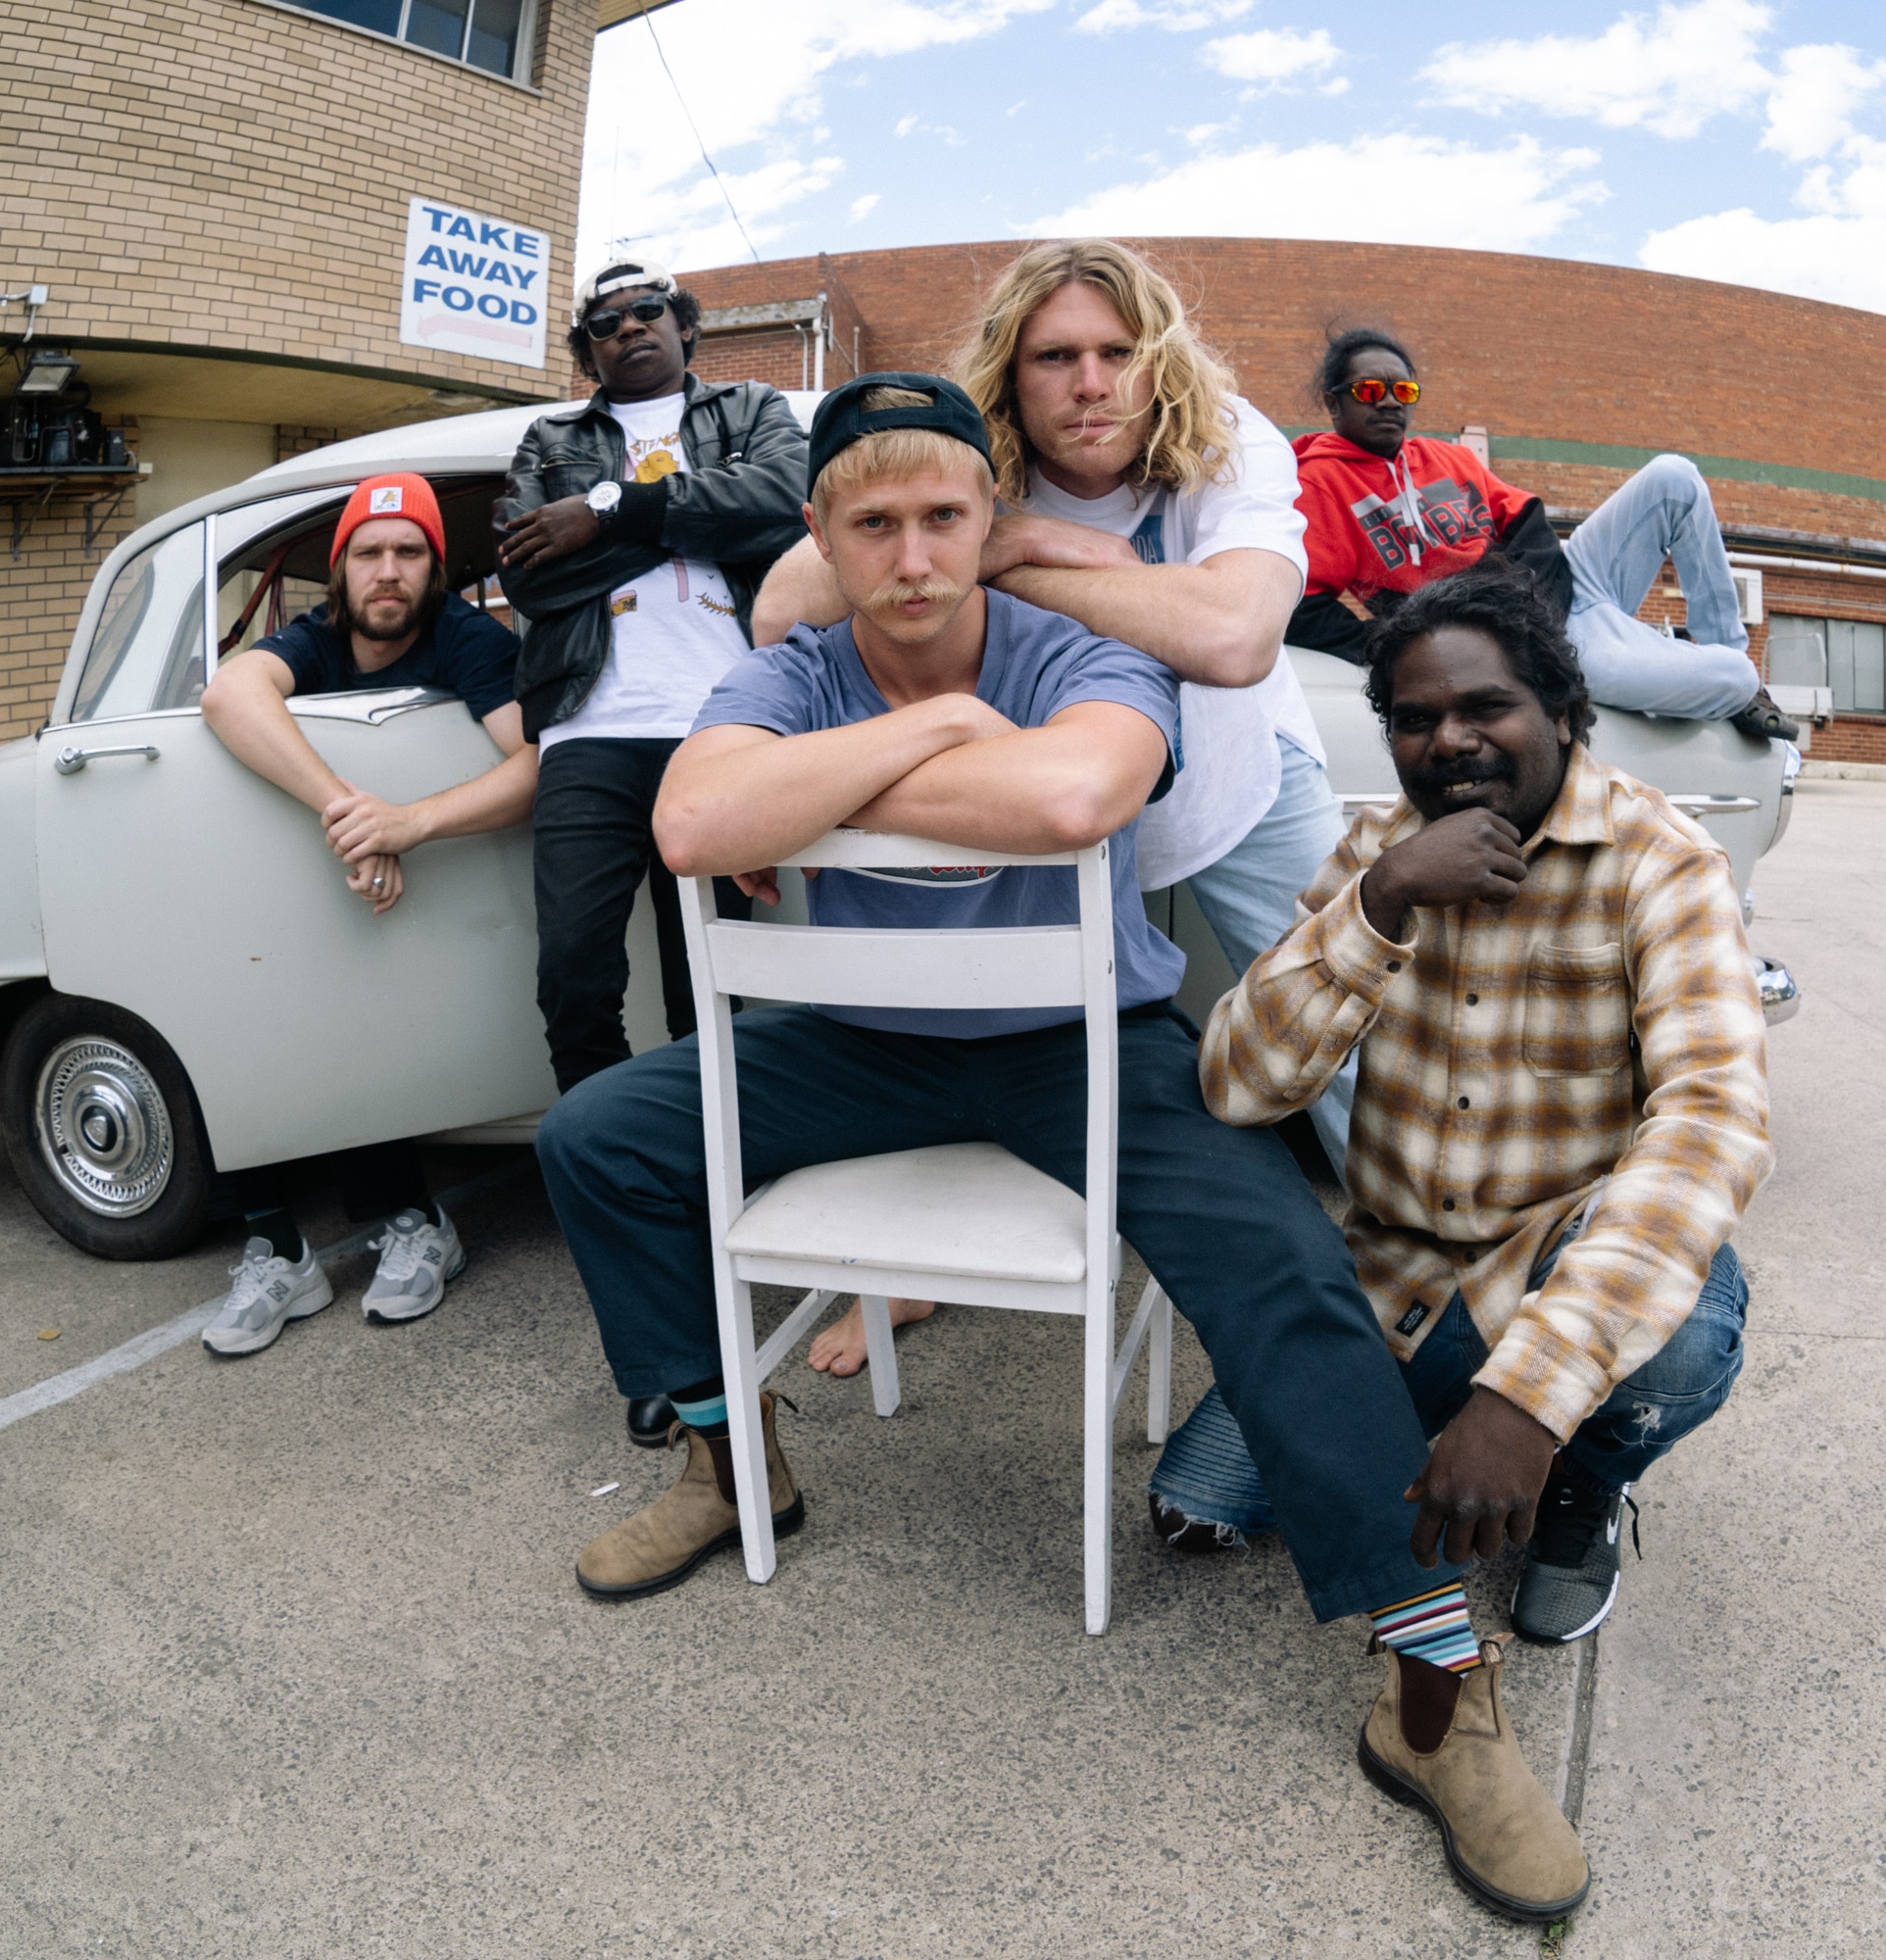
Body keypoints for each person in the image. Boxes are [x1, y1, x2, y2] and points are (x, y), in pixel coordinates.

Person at [541, 380, 1587, 1923]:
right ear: (822, 534)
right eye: (874, 523)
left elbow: (1078, 788)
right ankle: (722, 1455)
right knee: (598, 1139)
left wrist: (875, 765)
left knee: (1283, 1258)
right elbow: (694, 827)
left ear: (990, 525)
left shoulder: (1084, 649)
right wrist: (951, 729)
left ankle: (1431, 1674)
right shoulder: (788, 665)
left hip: (1086, 1042)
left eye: (944, 517)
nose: (912, 555)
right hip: (865, 1044)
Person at [751, 238, 1353, 1382]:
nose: (1090, 384)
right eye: (1056, 355)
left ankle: (1414, 1269)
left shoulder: (1229, 438)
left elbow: (1233, 638)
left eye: (1119, 352)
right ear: (1009, 372)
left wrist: (1014, 546)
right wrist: (1016, 534)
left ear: (1159, 361)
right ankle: (911, 1265)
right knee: (947, 1011)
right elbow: (783, 608)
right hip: (1052, 789)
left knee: (1352, 1023)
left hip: (1232, 778)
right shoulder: (961, 449)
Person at [1158, 568, 1772, 1670]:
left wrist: (1530, 1403)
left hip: (1557, 1258)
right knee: (1192, 1507)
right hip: (1393, 1277)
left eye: (1485, 707)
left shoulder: (1663, 863)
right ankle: (1440, 1416)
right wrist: (1381, 900)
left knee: (1680, 1341)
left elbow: (1710, 1123)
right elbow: (1238, 1085)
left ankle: (1586, 1476)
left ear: (1563, 714)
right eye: (1415, 719)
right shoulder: (1378, 851)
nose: (1451, 741)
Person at [497, 258, 811, 1443]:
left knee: (711, 986)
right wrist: (671, 520)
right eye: (606, 324)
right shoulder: (549, 438)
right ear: (588, 352)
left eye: (648, 316)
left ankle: (729, 1195)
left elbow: (788, 503)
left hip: (725, 719)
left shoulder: (750, 413)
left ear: (685, 330)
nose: (630, 331)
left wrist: (611, 513)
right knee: (574, 973)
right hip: (590, 730)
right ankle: (628, 1201)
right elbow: (530, 578)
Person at [193, 470, 524, 1354]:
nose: (389, 571)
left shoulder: (466, 639)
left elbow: (539, 766)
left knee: (363, 1021)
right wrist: (353, 815)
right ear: (338, 572)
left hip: (444, 895)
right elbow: (228, 694)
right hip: (322, 874)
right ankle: (275, 1245)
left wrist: (408, 822)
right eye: (368, 553)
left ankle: (413, 1223)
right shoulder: (317, 635)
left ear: (436, 567)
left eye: (408, 552)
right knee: (224, 1002)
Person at [1288, 327, 1798, 742]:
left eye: (1404, 391)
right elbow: (1302, 607)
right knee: (1730, 677)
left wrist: (1538, 617)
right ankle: (1737, 682)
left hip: (1563, 589)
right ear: (1335, 404)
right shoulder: (1319, 482)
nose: (1390, 403)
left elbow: (1527, 519)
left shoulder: (1447, 457)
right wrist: (1400, 648)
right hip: (1522, 643)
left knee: (1674, 477)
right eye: (1370, 391)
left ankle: (1738, 667)